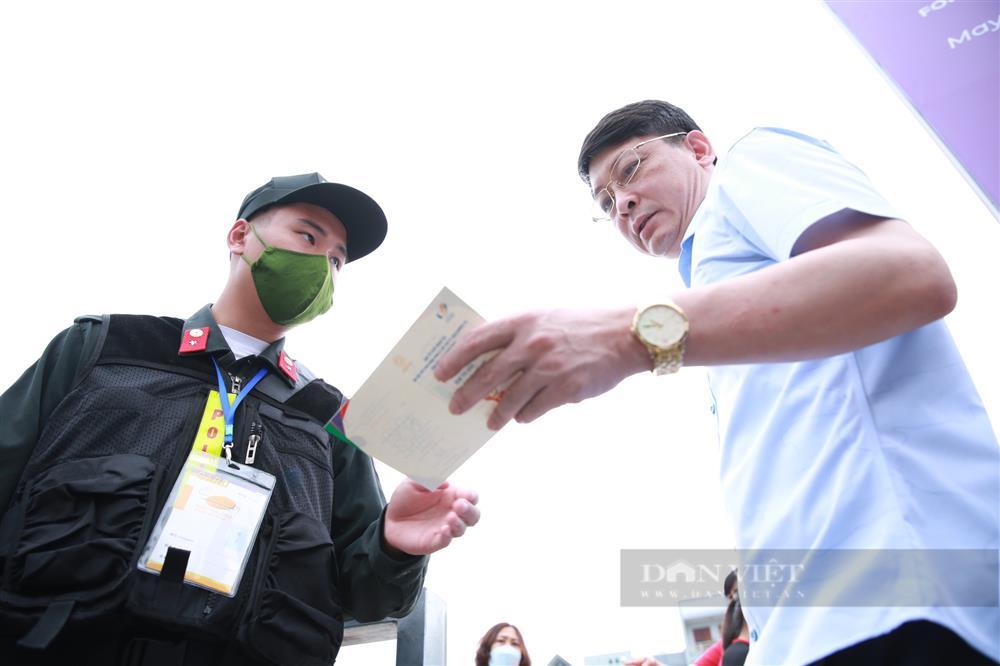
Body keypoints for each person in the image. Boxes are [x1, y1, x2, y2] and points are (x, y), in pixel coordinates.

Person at [435, 101, 999, 664]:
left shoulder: (748, 166)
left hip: (899, 606)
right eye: (605, 204)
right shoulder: (714, 295)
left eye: (630, 169)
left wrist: (625, 336)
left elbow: (909, 272)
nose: (622, 203)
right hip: (810, 633)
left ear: (700, 149)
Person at [0, 172, 481, 666]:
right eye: (308, 236)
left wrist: (394, 545)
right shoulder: (104, 349)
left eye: (337, 260)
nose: (323, 265)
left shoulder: (328, 418)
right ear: (239, 237)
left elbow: (369, 595)